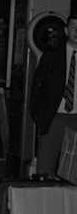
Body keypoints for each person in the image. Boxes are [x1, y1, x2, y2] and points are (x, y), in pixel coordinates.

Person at [30, 14, 77, 175]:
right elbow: (37, 86)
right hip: (54, 117)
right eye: (73, 27)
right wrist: (38, 114)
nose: (76, 31)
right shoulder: (52, 55)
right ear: (65, 30)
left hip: (76, 119)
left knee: (71, 173)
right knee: (45, 169)